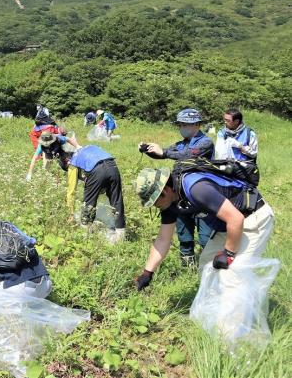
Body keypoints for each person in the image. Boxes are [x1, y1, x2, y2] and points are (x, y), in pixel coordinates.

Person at [133, 167, 273, 292]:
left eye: (154, 200)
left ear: (165, 190)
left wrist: (228, 254)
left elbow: (236, 219)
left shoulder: (197, 188)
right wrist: (147, 273)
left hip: (252, 219)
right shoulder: (169, 202)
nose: (155, 205)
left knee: (233, 275)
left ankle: (234, 320)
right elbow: (163, 239)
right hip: (227, 225)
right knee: (207, 266)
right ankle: (212, 313)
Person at [139, 108, 215, 267]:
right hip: (180, 196)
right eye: (180, 124)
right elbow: (164, 153)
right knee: (184, 235)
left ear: (196, 124)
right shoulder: (181, 144)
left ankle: (208, 268)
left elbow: (189, 154)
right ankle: (188, 268)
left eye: (184, 124)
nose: (181, 127)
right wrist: (149, 150)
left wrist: (165, 152)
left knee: (206, 238)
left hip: (202, 196)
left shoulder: (205, 143)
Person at [65, 138, 125, 242]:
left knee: (89, 202)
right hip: (113, 166)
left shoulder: (73, 161)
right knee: (116, 200)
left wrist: (71, 213)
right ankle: (120, 235)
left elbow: (72, 190)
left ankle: (85, 234)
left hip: (97, 170)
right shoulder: (88, 148)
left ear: (67, 159)